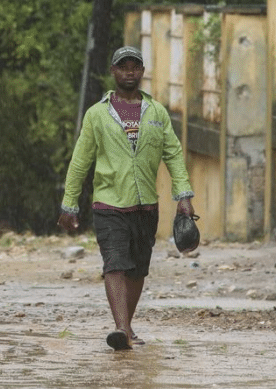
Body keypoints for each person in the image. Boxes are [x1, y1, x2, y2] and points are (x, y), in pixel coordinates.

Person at [57, 46, 195, 351]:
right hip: (109, 203)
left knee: (137, 269)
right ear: (113, 71)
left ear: (142, 72)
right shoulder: (97, 115)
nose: (129, 71)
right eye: (123, 66)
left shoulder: (156, 113)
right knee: (115, 264)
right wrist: (69, 203)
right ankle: (121, 328)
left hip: (146, 204)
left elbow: (172, 154)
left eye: (135, 66)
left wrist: (183, 196)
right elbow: (80, 161)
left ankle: (126, 326)